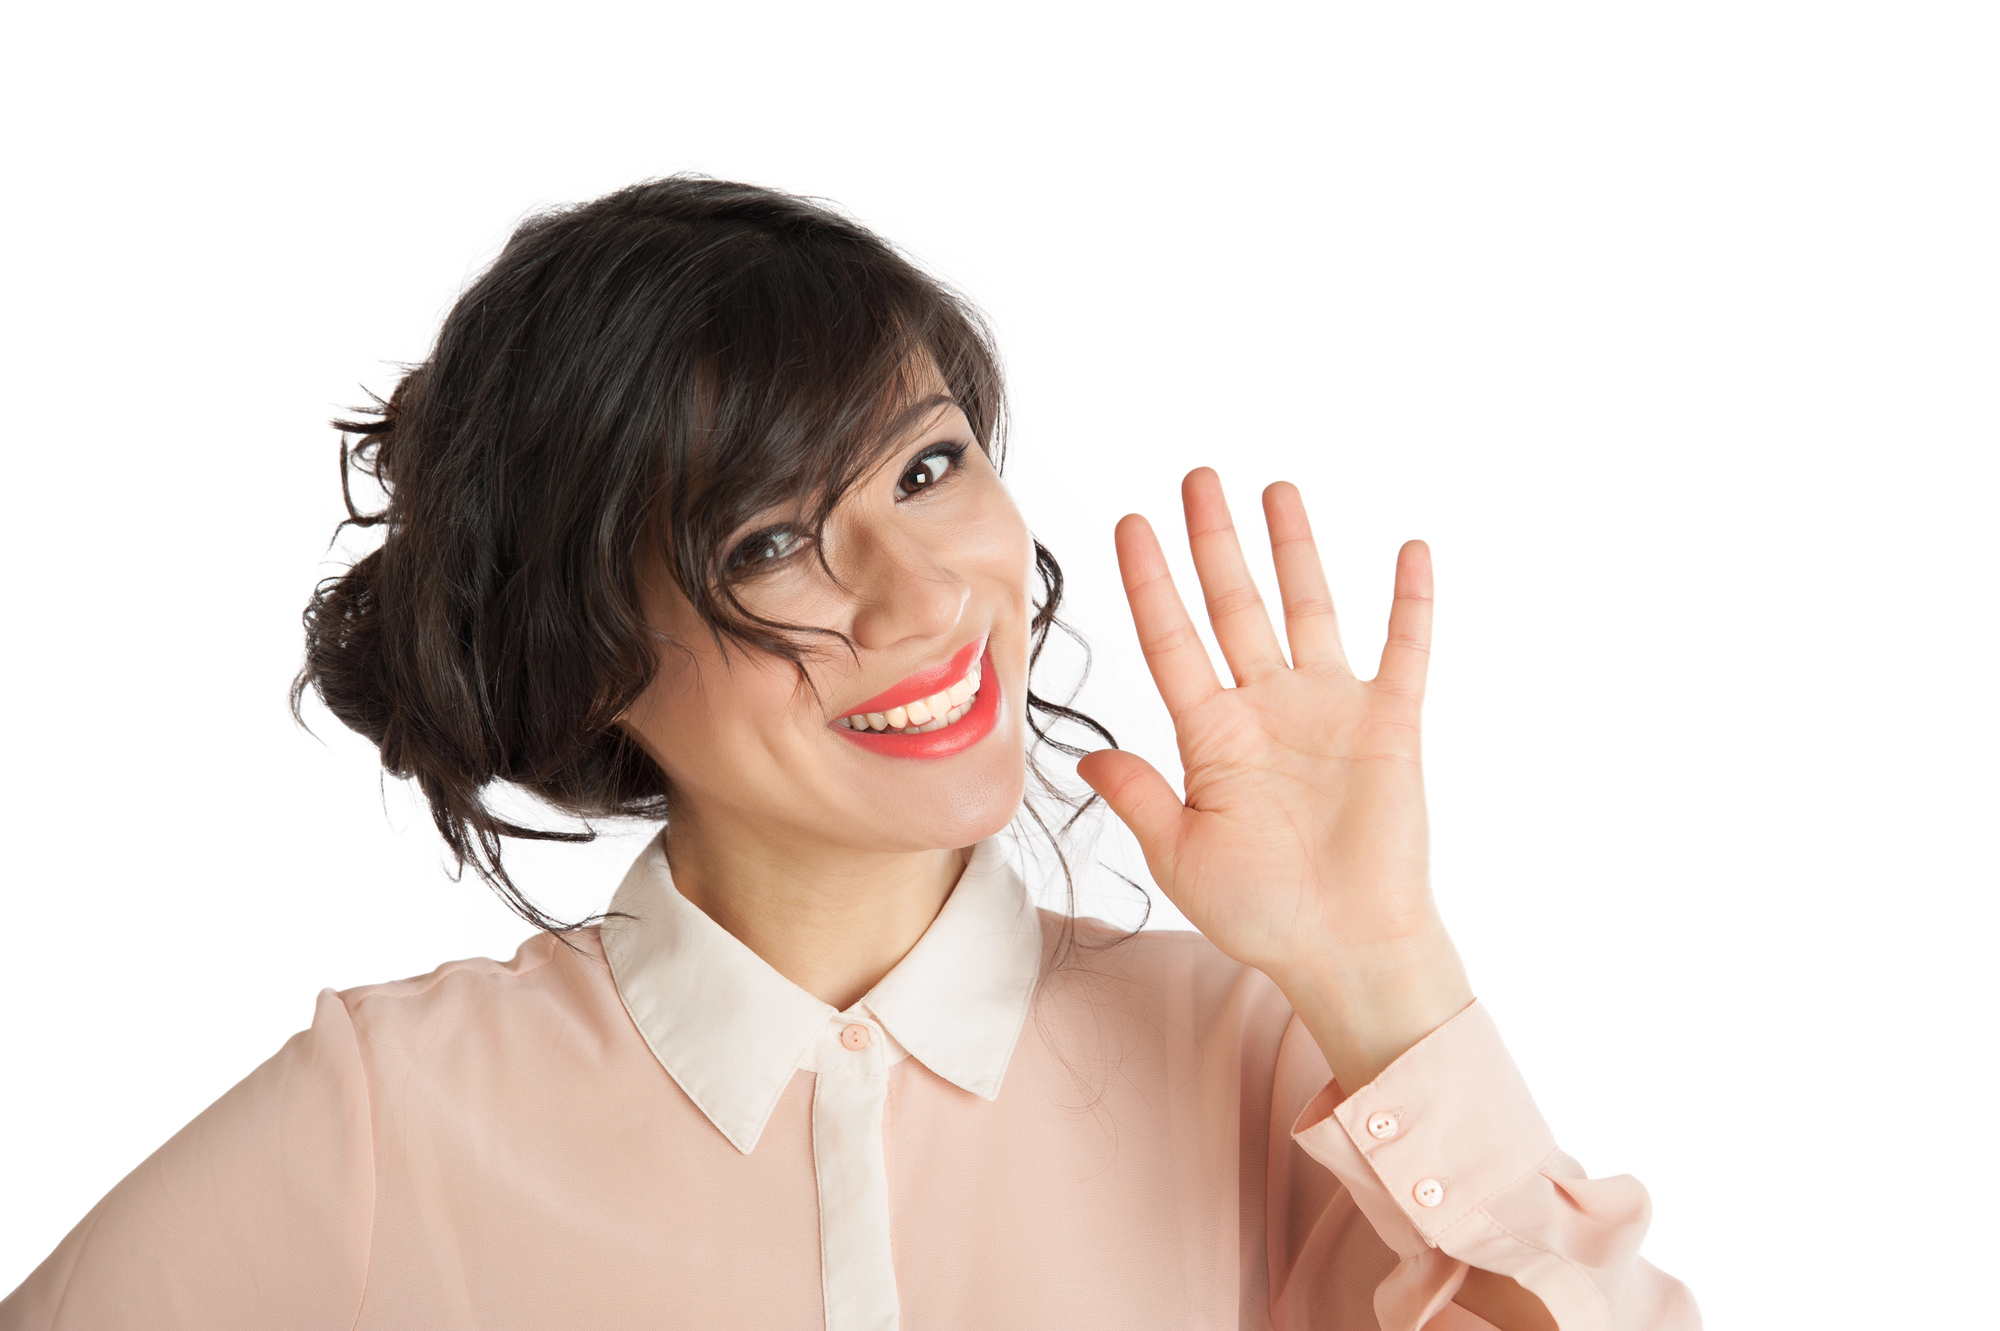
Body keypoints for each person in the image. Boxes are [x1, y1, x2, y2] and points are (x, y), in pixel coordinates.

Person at [0, 178, 1697, 1331]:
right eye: (765, 544)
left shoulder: (1260, 1063)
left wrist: (1385, 971)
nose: (920, 592)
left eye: (928, 467)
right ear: (587, 653)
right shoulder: (394, 1119)